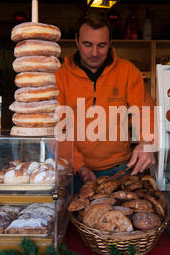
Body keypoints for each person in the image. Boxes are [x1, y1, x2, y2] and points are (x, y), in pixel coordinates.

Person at [55, 13, 156, 190]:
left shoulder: (128, 72)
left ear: (110, 43)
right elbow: (57, 128)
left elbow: (144, 110)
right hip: (72, 171)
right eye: (88, 45)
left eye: (101, 45)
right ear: (77, 41)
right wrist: (79, 166)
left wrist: (147, 143)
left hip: (119, 171)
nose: (94, 53)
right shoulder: (59, 75)